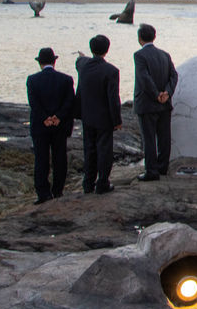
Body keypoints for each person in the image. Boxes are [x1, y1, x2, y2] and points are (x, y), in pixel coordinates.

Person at [26, 47, 75, 205]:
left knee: (41, 159)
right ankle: (58, 190)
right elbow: (70, 101)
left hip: (40, 125)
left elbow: (33, 103)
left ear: (40, 63)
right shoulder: (66, 79)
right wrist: (58, 117)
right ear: (55, 61)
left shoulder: (32, 80)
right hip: (60, 125)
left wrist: (45, 118)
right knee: (60, 157)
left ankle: (43, 193)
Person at [75, 35, 122, 194]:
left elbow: (80, 61)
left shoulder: (83, 66)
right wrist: (117, 120)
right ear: (107, 50)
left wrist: (82, 57)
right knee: (104, 151)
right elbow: (113, 98)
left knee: (89, 149)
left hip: (87, 115)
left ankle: (88, 183)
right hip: (104, 117)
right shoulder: (111, 71)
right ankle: (102, 182)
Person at [133, 23, 178, 181]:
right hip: (164, 104)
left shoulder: (139, 56)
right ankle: (162, 167)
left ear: (140, 39)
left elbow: (143, 77)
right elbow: (174, 75)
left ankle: (151, 171)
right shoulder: (164, 55)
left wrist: (156, 94)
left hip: (147, 103)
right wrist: (167, 92)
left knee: (149, 139)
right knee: (164, 137)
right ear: (154, 36)